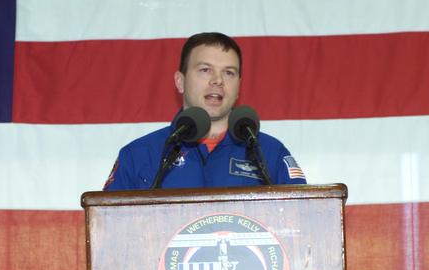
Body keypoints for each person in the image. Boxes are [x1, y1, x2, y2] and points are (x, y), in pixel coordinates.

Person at [103, 32, 306, 190]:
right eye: (205, 70)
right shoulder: (139, 155)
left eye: (229, 72)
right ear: (180, 81)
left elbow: (302, 222)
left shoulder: (270, 153)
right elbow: (107, 229)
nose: (217, 80)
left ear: (238, 87)